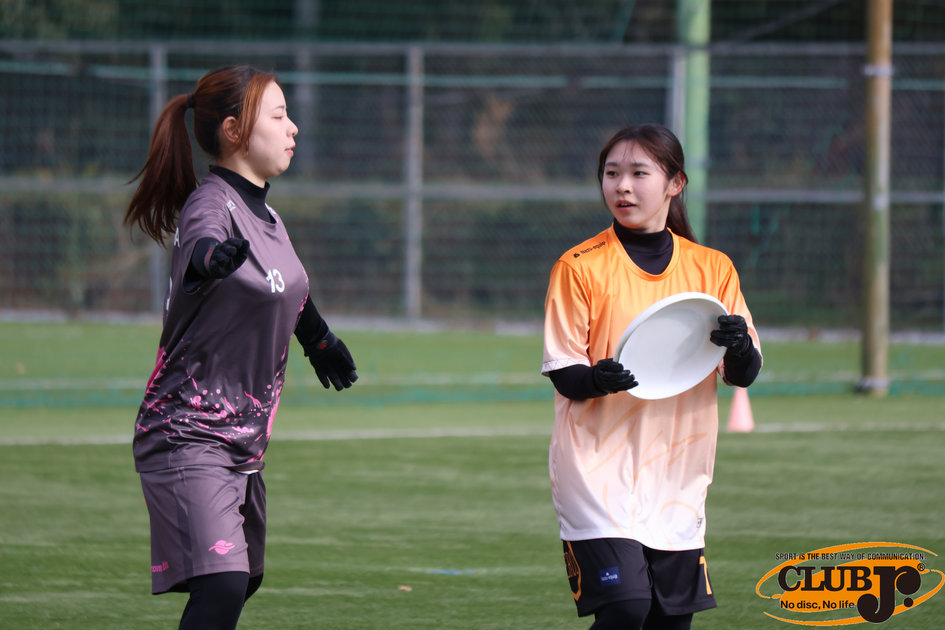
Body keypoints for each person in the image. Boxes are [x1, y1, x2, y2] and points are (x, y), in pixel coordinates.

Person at [124, 65, 358, 630]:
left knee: (244, 578)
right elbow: (201, 247)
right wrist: (210, 259)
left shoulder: (268, 216)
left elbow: (288, 287)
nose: (292, 128)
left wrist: (318, 339)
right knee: (223, 584)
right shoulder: (211, 205)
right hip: (186, 431)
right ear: (234, 131)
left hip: (242, 440)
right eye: (278, 116)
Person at [541, 123, 762, 630]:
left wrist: (740, 345)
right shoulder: (578, 266)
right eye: (612, 173)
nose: (622, 186)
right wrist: (598, 380)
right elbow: (564, 370)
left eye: (639, 173)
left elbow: (743, 374)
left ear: (674, 183)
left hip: (679, 477)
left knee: (671, 622)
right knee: (626, 608)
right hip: (595, 474)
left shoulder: (713, 269)